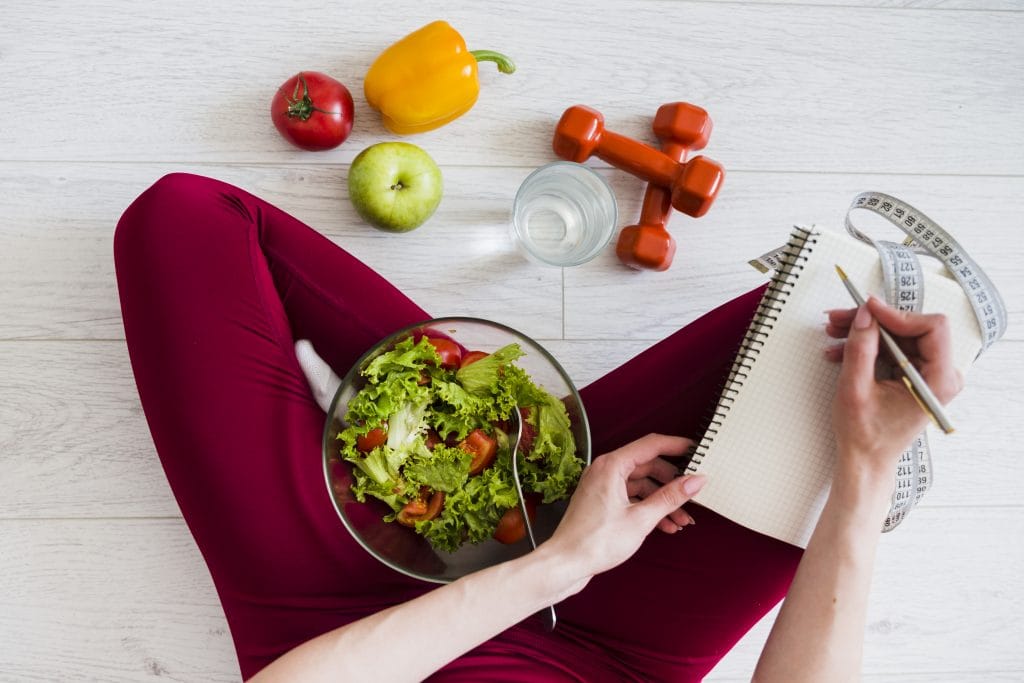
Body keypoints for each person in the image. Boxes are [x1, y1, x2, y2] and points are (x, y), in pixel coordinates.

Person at [114, 173, 962, 682]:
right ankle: (510, 449)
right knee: (857, 334)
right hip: (609, 649)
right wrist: (866, 467)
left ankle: (494, 446)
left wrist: (563, 559)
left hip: (334, 623)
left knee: (185, 219)